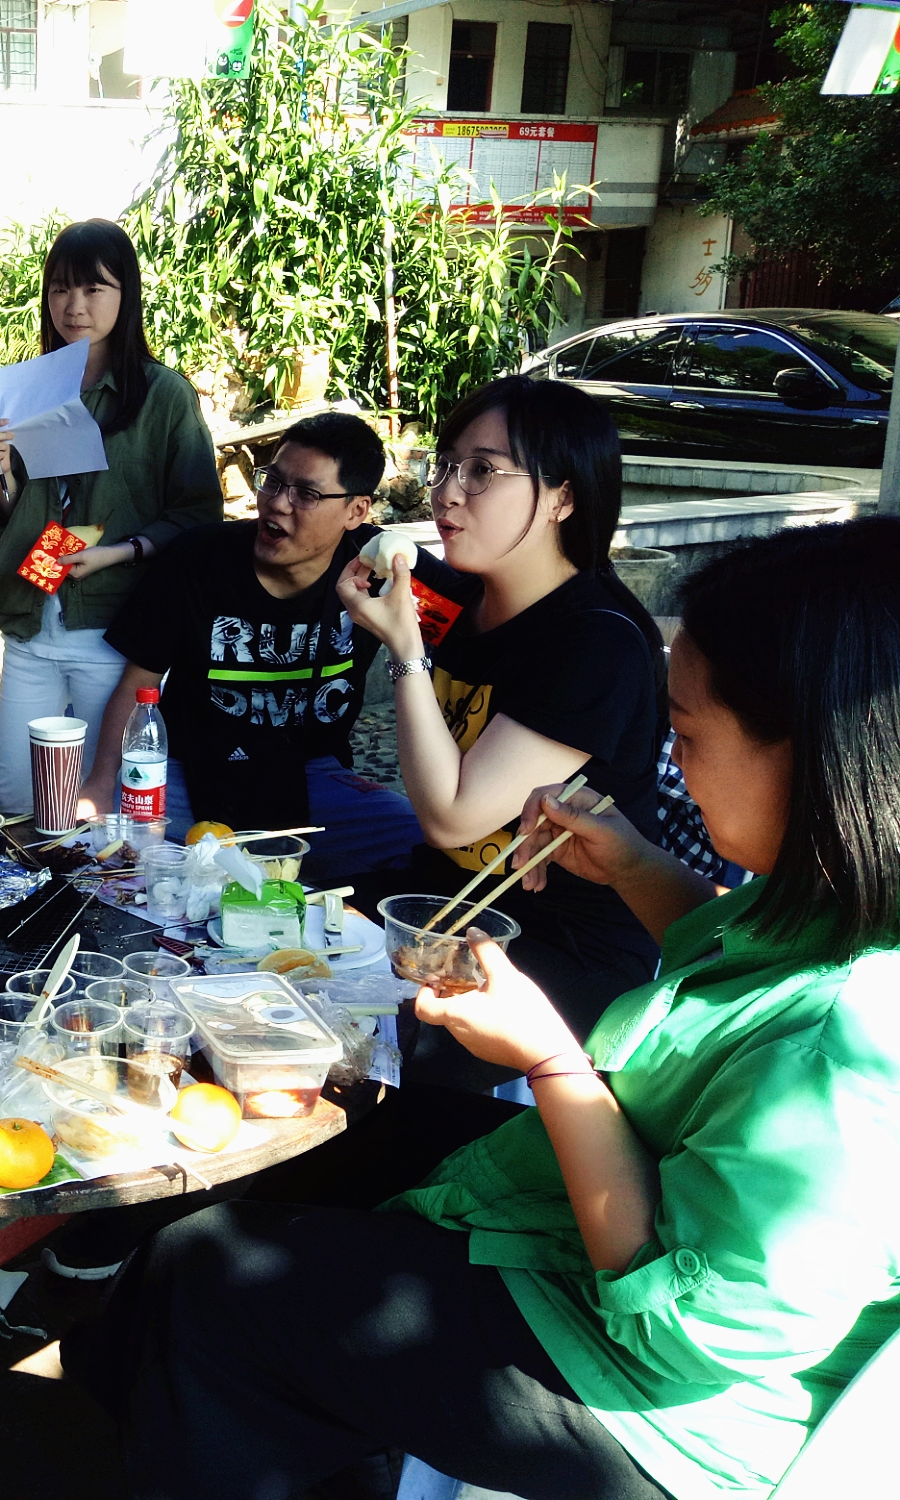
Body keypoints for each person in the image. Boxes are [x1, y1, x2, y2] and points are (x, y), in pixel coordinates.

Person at [66, 516, 900, 1500]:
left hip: (654, 1404)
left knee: (213, 1275)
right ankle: (207, 1402)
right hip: (603, 1214)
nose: (668, 760)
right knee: (328, 1136)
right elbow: (736, 967)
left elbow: (673, 1327)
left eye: (683, 734)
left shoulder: (850, 1041)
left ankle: (204, 1390)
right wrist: (632, 861)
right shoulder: (835, 894)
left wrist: (549, 1062)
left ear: (817, 758)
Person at [336, 376, 665, 1076]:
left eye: (483, 471)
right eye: (446, 464)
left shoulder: (597, 642)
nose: (448, 491)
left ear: (564, 497)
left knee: (352, 1060)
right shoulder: (464, 595)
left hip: (559, 949)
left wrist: (406, 654)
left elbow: (453, 817)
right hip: (443, 909)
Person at [77, 411, 419, 883]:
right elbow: (139, 685)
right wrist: (97, 787)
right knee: (104, 847)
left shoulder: (380, 571)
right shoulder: (197, 559)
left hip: (310, 775)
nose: (278, 504)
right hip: (191, 768)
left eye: (306, 494)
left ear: (356, 511)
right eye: (273, 482)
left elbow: (483, 619)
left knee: (419, 838)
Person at [0, 219, 221, 820]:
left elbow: (198, 515)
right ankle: (26, 908)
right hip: (33, 616)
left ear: (126, 294)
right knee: (18, 797)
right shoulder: (31, 386)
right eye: (61, 288)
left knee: (104, 808)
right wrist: (3, 474)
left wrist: (122, 551)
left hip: (118, 630)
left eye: (94, 289)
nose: (75, 305)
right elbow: (15, 513)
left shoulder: (164, 395)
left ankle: (93, 913)